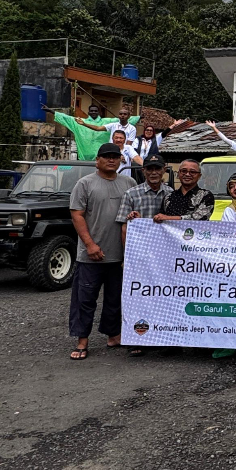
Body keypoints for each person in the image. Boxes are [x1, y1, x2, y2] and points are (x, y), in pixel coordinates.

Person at [67, 143, 138, 361]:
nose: (111, 160)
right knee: (85, 299)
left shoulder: (129, 183)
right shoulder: (85, 184)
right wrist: (90, 245)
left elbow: (137, 212)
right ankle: (82, 341)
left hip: (119, 256)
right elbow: (77, 215)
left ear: (121, 160)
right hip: (91, 255)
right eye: (106, 157)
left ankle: (113, 335)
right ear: (97, 160)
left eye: (115, 157)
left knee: (115, 298)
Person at [115, 154, 173, 357]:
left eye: (157, 168)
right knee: (138, 297)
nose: (154, 172)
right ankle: (137, 338)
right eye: (150, 169)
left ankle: (163, 337)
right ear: (143, 171)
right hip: (139, 257)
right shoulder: (132, 194)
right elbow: (124, 227)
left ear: (164, 170)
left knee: (163, 296)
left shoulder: (171, 194)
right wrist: (127, 257)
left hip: (164, 257)